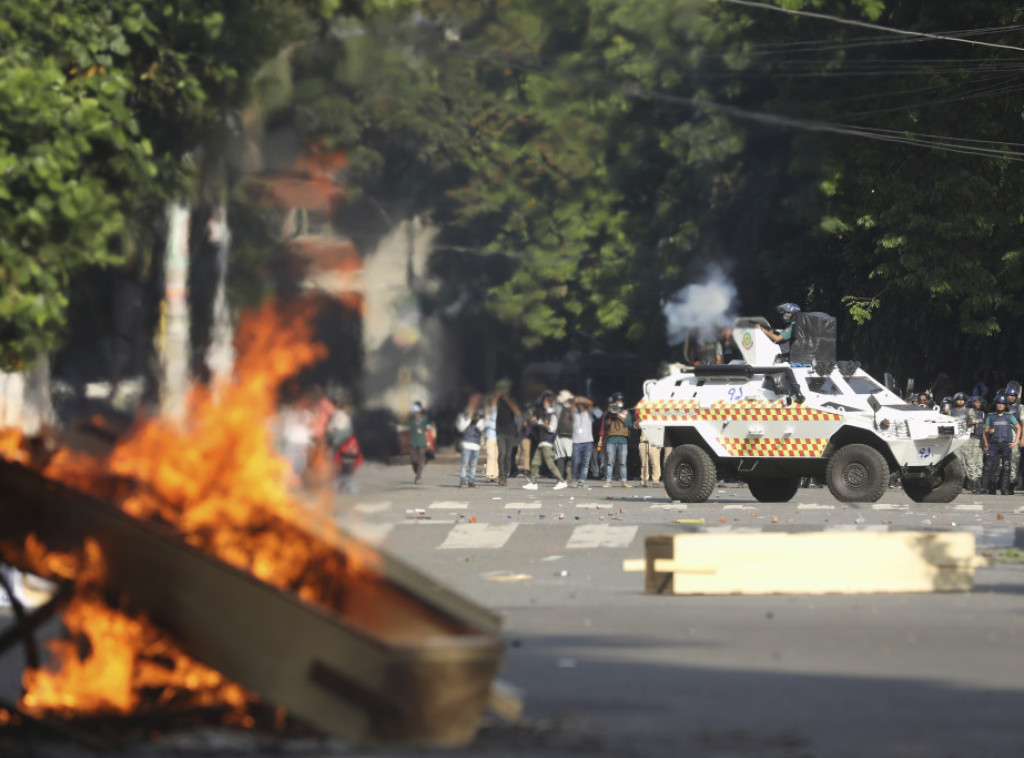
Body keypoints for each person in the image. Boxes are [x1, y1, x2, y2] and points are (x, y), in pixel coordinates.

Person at [523, 392, 568, 490]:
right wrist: (536, 421)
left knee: (550, 464)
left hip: (547, 443)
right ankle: (533, 483)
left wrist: (541, 423)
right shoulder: (544, 415)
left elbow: (552, 428)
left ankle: (561, 481)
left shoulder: (553, 416)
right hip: (541, 443)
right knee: (535, 463)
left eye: (546, 401)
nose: (544, 403)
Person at [982, 393, 1020, 496]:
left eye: (1002, 404)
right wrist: (987, 438)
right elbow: (985, 431)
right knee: (989, 466)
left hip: (1006, 444)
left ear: (1005, 405)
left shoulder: (1009, 416)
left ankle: (1004, 489)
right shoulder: (991, 416)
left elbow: (1018, 427)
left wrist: (1016, 441)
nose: (1000, 405)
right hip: (993, 444)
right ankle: (987, 488)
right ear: (995, 404)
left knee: (1006, 467)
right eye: (998, 403)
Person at [599, 392, 632, 487]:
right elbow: (605, 425)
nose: (619, 402)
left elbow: (629, 424)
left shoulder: (626, 412)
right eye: (617, 401)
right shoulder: (609, 412)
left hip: (623, 440)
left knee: (623, 462)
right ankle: (608, 481)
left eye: (620, 401)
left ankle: (624, 481)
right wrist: (610, 416)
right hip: (611, 439)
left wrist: (619, 416)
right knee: (610, 462)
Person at [493, 380, 521, 486]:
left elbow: (517, 412)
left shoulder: (511, 400)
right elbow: (491, 407)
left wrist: (507, 399)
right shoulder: (497, 401)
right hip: (500, 431)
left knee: (508, 455)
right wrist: (497, 395)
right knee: (502, 453)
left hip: (511, 432)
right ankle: (501, 475)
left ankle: (505, 476)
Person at [455, 397, 485, 488]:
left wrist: (478, 420)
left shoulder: (480, 417)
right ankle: (462, 481)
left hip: (476, 444)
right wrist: (469, 418)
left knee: (473, 464)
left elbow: (482, 428)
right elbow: (461, 428)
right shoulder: (463, 416)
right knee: (464, 464)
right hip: (466, 444)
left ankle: (471, 480)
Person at [570, 394, 595, 487]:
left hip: (588, 441)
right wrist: (574, 403)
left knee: (585, 463)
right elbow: (570, 412)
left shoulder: (589, 413)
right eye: (579, 404)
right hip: (576, 441)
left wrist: (580, 399)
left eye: (582, 404)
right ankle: (574, 479)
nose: (580, 405)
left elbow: (591, 403)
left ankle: (582, 481)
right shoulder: (574, 414)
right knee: (576, 462)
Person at [964, 395, 987, 493]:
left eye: (979, 402)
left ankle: (978, 483)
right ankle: (972, 484)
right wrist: (971, 422)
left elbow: (985, 427)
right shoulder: (967, 412)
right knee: (970, 462)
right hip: (970, 439)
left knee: (979, 463)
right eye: (976, 402)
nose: (978, 404)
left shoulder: (982, 414)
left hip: (979, 439)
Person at [408, 401, 433, 485]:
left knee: (420, 460)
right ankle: (418, 469)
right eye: (415, 407)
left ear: (421, 409)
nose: (416, 409)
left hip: (422, 441)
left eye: (417, 407)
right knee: (413, 459)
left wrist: (428, 442)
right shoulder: (411, 418)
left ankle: (418, 477)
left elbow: (427, 430)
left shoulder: (424, 418)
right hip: (413, 441)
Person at [553, 389, 575, 481]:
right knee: (569, 455)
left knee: (560, 456)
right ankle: (568, 468)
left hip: (559, 435)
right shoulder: (574, 408)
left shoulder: (558, 407)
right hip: (571, 435)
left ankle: (560, 476)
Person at [482, 395, 499, 482]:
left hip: (498, 437)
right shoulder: (487, 412)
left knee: (496, 456)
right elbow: (485, 422)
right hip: (490, 436)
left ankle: (495, 475)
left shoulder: (498, 413)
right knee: (490, 455)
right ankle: (489, 475)